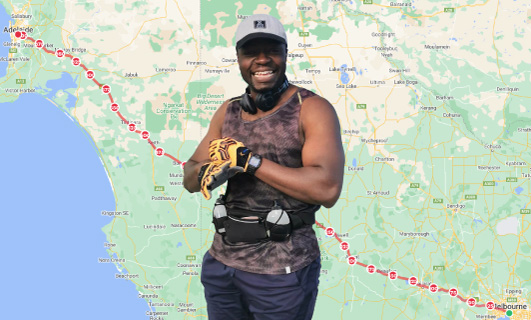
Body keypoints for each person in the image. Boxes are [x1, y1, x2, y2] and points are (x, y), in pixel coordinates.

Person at [183, 13, 344, 320]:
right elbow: (190, 176)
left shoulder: (311, 108)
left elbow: (327, 188)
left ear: (285, 54)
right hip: (222, 264)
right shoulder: (228, 111)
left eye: (271, 50)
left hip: (282, 269)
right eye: (250, 52)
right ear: (239, 59)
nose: (261, 60)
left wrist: (248, 161)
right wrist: (209, 171)